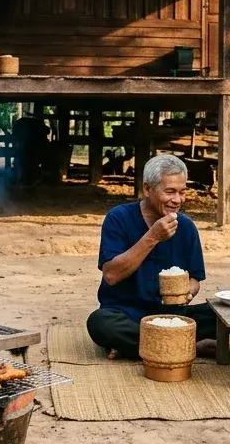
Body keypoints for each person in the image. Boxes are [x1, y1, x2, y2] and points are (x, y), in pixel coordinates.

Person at [86, 154, 215, 359]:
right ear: (147, 189)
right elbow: (111, 275)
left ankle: (141, 347)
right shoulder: (118, 218)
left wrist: (187, 292)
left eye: (182, 192)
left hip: (173, 316)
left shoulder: (187, 227)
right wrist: (152, 237)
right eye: (170, 191)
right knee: (100, 322)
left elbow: (194, 280)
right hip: (128, 314)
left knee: (220, 313)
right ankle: (184, 346)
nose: (177, 199)